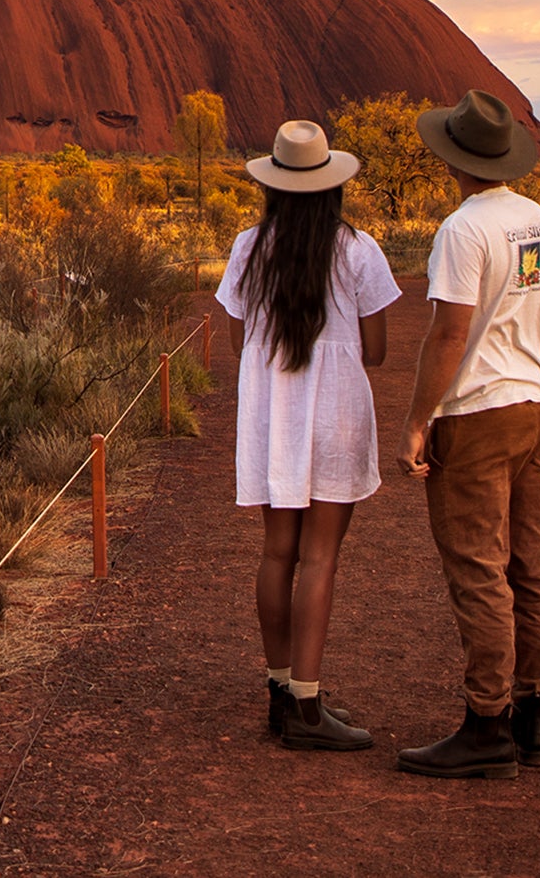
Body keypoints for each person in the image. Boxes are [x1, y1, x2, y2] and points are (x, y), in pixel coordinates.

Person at [216, 119, 401, 751]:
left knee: (277, 552)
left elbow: (239, 340)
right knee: (320, 557)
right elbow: (377, 351)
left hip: (271, 412)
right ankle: (308, 707)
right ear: (332, 187)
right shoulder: (357, 250)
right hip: (336, 415)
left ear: (272, 186)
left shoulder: (248, 247)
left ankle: (279, 689)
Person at [395, 89, 540, 780]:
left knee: (478, 568)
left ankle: (486, 723)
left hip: (479, 413)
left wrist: (417, 420)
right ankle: (533, 715)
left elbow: (450, 332)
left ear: (452, 158)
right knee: (533, 562)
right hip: (534, 403)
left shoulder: (462, 230)